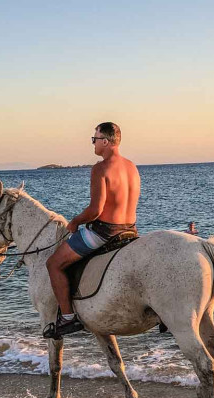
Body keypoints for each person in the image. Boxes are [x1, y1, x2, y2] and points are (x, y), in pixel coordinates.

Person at [42, 123, 140, 338]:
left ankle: (68, 318)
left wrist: (75, 222)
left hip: (104, 233)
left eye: (94, 139)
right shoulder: (131, 166)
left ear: (105, 141)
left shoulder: (101, 168)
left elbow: (96, 210)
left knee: (54, 264)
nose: (93, 143)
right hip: (131, 231)